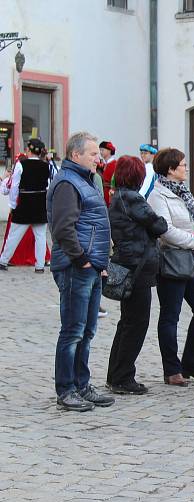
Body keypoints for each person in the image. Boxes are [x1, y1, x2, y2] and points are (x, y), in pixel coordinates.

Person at [47, 131, 115, 412]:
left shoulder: (85, 181)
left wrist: (98, 262)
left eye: (98, 155)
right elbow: (63, 228)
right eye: (92, 154)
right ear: (76, 155)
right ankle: (66, 389)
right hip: (77, 267)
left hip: (91, 267)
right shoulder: (67, 182)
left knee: (87, 330)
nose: (98, 159)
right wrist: (83, 259)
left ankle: (82, 384)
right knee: (73, 331)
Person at [149, 147, 194, 387]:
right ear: (170, 169)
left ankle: (192, 363)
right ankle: (172, 369)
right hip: (172, 260)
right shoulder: (158, 196)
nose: (186, 168)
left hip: (191, 260)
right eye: (183, 164)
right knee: (170, 316)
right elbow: (165, 230)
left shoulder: (184, 191)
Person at [106, 156, 168, 394]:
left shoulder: (117, 196)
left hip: (127, 263)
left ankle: (116, 374)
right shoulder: (133, 198)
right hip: (138, 267)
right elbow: (159, 225)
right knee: (136, 324)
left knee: (126, 323)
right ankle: (123, 377)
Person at [0, 138, 50, 272]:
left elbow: (15, 186)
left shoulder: (21, 165)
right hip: (40, 204)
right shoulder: (47, 165)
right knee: (40, 236)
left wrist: (13, 204)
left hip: (25, 204)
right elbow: (49, 187)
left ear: (29, 150)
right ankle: (39, 266)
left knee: (14, 235)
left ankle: (3, 261)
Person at [99, 140, 117, 205]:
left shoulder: (114, 164)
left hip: (110, 194)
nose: (100, 152)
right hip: (104, 192)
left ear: (109, 150)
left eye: (102, 150)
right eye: (100, 150)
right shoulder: (104, 164)